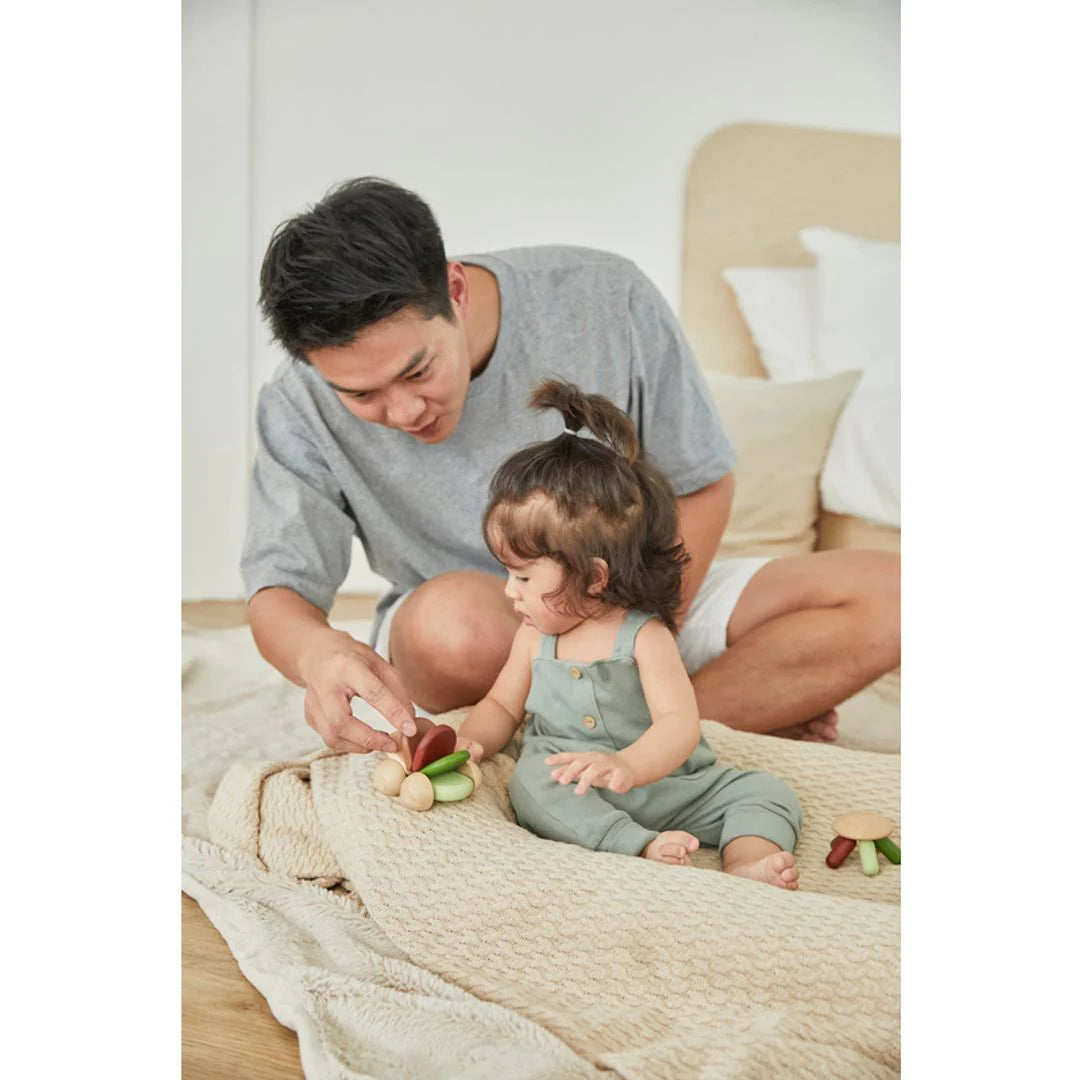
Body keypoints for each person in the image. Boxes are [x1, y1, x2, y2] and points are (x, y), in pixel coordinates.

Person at [243, 177, 899, 756]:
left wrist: (642, 640)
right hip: (478, 631)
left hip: (638, 597)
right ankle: (700, 724)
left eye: (417, 370)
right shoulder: (297, 402)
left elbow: (701, 484)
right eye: (360, 395)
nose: (404, 410)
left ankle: (650, 734)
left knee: (899, 594)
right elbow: (281, 587)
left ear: (455, 289)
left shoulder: (607, 299)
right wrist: (317, 654)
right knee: (453, 626)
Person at [454, 380, 802, 886]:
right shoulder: (533, 636)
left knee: (769, 794)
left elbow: (678, 726)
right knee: (532, 785)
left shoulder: (644, 636)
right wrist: (468, 742)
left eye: (524, 577)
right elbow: (503, 707)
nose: (510, 592)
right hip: (576, 782)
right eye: (509, 574)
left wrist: (628, 766)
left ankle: (745, 861)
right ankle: (634, 844)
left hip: (670, 780)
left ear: (595, 578)